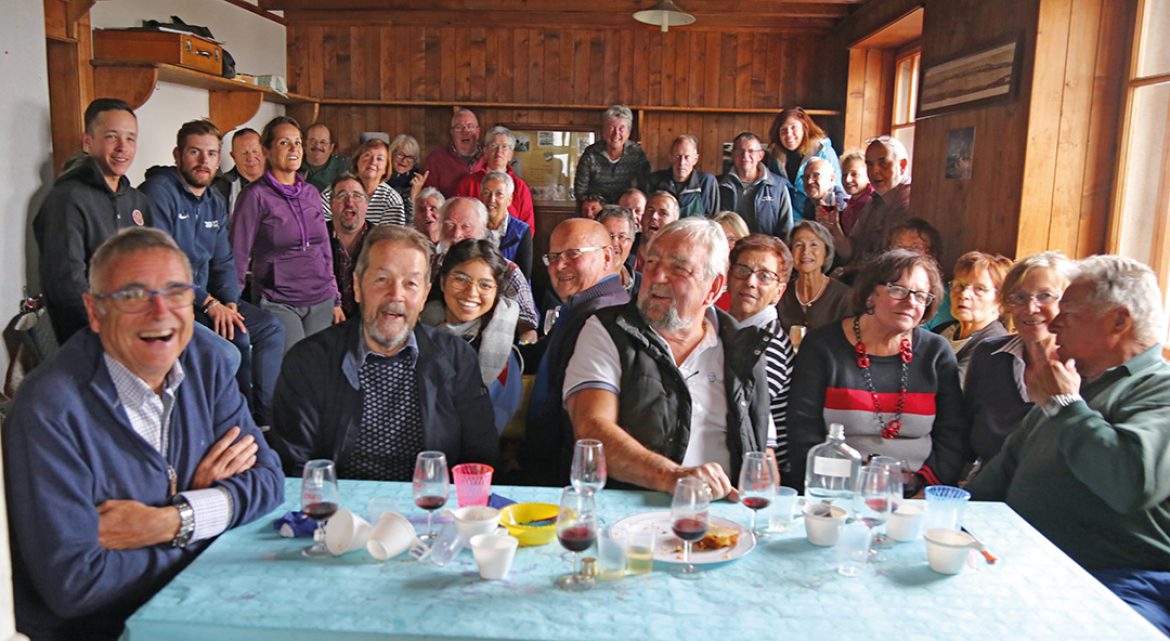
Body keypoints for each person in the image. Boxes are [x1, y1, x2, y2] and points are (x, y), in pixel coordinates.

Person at [4, 227, 283, 641]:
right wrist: (211, 520)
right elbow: (77, 584)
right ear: (95, 312)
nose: (160, 313)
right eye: (133, 295)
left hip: (193, 609)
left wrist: (172, 520)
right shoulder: (49, 408)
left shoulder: (204, 362)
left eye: (176, 292)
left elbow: (269, 482)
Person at [968, 255, 1170, 635]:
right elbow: (997, 479)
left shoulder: (1159, 389)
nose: (1055, 321)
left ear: (1120, 321)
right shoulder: (1073, 386)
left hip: (1121, 580)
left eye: (1069, 312)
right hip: (1025, 564)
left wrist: (1065, 406)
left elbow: (1129, 483)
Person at [563, 218, 773, 498]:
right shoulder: (607, 330)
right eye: (651, 262)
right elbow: (592, 430)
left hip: (725, 515)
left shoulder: (744, 347)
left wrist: (763, 517)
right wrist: (675, 478)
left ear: (713, 288)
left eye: (678, 268)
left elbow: (763, 451)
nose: (656, 277)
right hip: (634, 515)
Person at [269, 225, 498, 480]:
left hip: (429, 510)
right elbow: (294, 465)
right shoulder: (309, 361)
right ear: (357, 286)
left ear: (423, 295)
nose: (396, 295)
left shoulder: (457, 358)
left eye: (410, 283)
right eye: (382, 279)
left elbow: (479, 458)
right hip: (339, 512)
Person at [141, 118, 286, 426]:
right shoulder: (159, 192)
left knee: (268, 330)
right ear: (178, 155)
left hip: (206, 302)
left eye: (211, 153)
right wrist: (210, 303)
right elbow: (161, 265)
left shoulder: (214, 201)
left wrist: (230, 301)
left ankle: (264, 422)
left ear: (218, 159)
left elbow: (223, 261)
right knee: (231, 351)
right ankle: (228, 425)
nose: (203, 161)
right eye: (195, 152)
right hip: (169, 306)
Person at [787, 249, 967, 493]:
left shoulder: (936, 352)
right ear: (871, 294)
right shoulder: (823, 347)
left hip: (917, 495)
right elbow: (803, 433)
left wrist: (925, 490)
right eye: (898, 289)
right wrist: (839, 493)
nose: (910, 302)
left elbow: (952, 435)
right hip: (837, 492)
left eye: (921, 295)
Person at [35, 98, 153, 343]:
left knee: (219, 354)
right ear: (88, 141)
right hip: (94, 333)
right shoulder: (67, 199)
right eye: (112, 136)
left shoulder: (137, 201)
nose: (123, 147)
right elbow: (68, 288)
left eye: (130, 138)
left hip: (138, 320)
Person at [523, 218, 627, 485]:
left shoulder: (604, 314)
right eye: (554, 256)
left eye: (573, 254)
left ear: (607, 256)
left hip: (572, 475)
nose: (559, 265)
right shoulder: (580, 306)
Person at [230, 115, 343, 353]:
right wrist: (231, 300)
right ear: (267, 151)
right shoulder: (255, 196)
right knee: (295, 367)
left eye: (298, 142)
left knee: (315, 373)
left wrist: (335, 296)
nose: (294, 148)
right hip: (278, 300)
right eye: (284, 143)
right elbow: (238, 253)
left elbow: (323, 247)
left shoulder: (311, 193)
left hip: (320, 298)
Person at [963, 251, 1071, 465]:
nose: (1030, 309)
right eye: (1019, 297)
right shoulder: (989, 355)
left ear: (1069, 302)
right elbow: (963, 430)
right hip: (986, 488)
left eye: (1045, 296)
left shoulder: (1083, 366)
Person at [419, 239, 524, 433]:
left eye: (485, 285)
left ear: (496, 292)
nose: (471, 293)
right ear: (442, 281)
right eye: (461, 279)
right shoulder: (414, 333)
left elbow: (496, 418)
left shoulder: (504, 356)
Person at [725, 234, 795, 475]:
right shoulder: (725, 326)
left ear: (778, 291)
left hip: (757, 466)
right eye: (743, 270)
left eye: (765, 276)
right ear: (728, 276)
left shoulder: (769, 342)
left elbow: (742, 409)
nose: (750, 282)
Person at [435, 197, 539, 341]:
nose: (456, 234)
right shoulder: (429, 265)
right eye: (450, 225)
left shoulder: (508, 271)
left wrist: (517, 353)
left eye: (466, 226)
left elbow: (528, 327)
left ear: (483, 229)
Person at [828, 136, 912, 266]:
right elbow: (850, 252)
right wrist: (834, 227)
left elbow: (895, 264)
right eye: (869, 164)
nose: (874, 170)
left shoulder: (911, 203)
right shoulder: (873, 202)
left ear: (902, 165)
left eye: (883, 162)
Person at [933, 250, 1013, 382]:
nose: (964, 294)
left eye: (980, 289)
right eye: (960, 285)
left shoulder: (995, 343)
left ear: (1001, 299)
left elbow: (953, 388)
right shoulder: (941, 331)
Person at [456, 125, 536, 235]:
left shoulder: (520, 187)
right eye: (494, 145)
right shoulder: (468, 183)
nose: (499, 151)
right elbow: (458, 218)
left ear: (511, 154)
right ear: (485, 151)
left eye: (505, 147)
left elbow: (528, 229)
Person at [779, 220, 852, 333]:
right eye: (798, 245)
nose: (805, 251)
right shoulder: (780, 293)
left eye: (813, 245)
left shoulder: (845, 297)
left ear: (826, 252)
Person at [766, 107, 841, 217]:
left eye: (794, 128)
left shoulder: (824, 152)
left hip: (822, 219)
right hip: (791, 222)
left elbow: (836, 190)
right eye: (783, 130)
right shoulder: (776, 158)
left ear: (804, 128)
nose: (789, 134)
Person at [718, 131, 794, 238]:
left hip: (765, 251)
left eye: (751, 151)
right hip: (727, 251)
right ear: (733, 154)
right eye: (740, 151)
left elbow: (786, 229)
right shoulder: (718, 185)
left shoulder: (778, 186)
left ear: (760, 155)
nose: (745, 155)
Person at [574, 104, 651, 206]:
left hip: (625, 207)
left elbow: (645, 186)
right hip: (596, 207)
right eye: (611, 128)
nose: (616, 134)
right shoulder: (591, 154)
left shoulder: (636, 154)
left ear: (628, 132)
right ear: (604, 131)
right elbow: (580, 190)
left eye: (621, 129)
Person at [321, 138, 406, 227]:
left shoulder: (392, 200)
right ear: (357, 161)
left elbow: (392, 237)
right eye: (367, 155)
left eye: (379, 159)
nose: (373, 162)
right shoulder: (335, 191)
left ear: (386, 168)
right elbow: (322, 229)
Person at [326, 172, 373, 318]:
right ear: (331, 204)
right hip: (325, 316)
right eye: (341, 196)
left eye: (357, 196)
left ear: (367, 203)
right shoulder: (316, 237)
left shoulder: (381, 241)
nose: (349, 202)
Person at [647, 134, 720, 218]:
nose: (681, 162)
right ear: (670, 157)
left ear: (695, 159)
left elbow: (715, 220)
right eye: (677, 156)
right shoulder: (655, 180)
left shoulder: (707, 182)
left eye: (687, 157)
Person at [480, 171, 533, 278]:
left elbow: (523, 275)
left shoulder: (521, 231)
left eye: (499, 194)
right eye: (486, 193)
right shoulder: (474, 227)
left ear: (509, 200)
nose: (491, 199)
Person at [423, 107, 482, 197]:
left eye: (470, 126)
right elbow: (430, 197)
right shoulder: (436, 159)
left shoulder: (489, 157)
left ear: (478, 132)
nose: (465, 132)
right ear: (452, 132)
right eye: (459, 128)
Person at [213, 127, 264, 217]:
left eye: (255, 151)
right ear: (233, 156)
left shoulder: (279, 181)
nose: (251, 158)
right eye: (244, 153)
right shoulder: (219, 189)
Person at [711, 211, 750, 311]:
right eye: (720, 238)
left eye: (732, 239)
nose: (725, 244)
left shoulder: (749, 277)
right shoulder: (702, 272)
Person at [597, 206, 640, 294]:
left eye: (622, 236)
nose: (614, 243)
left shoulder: (641, 284)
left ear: (632, 242)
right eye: (609, 235)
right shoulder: (581, 283)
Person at [634, 191, 680, 272]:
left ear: (674, 223)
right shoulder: (626, 246)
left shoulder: (679, 260)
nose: (654, 216)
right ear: (642, 217)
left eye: (663, 213)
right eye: (650, 210)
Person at [386, 133, 425, 220]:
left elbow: (415, 219)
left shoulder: (417, 181)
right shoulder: (380, 176)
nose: (404, 160)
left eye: (410, 157)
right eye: (400, 154)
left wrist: (414, 195)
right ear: (391, 154)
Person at [301, 123, 349, 192]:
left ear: (331, 147)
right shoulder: (293, 165)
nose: (317, 146)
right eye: (312, 141)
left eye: (323, 142)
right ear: (304, 145)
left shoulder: (344, 168)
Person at [803, 156, 846, 224]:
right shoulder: (808, 202)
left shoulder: (840, 202)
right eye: (806, 177)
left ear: (831, 179)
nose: (809, 181)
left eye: (816, 175)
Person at [838, 150, 871, 236]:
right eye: (844, 175)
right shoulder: (851, 202)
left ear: (869, 176)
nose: (847, 180)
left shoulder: (870, 205)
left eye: (854, 174)